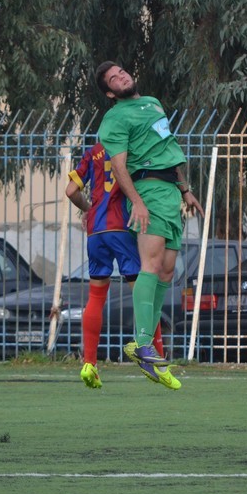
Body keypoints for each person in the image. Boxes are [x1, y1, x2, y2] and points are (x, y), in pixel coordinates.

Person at [94, 61, 205, 390]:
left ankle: (143, 345)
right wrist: (138, 202)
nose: (121, 77)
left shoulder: (153, 103)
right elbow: (119, 166)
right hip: (148, 191)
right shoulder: (114, 118)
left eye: (121, 72)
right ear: (110, 93)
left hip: (170, 192)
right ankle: (143, 344)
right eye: (113, 79)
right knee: (151, 264)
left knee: (167, 272)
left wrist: (184, 189)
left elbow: (166, 147)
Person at [65, 141, 166, 389]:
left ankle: (89, 363)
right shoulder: (133, 148)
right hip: (123, 227)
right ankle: (157, 360)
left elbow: (70, 190)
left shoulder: (93, 152)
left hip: (96, 232)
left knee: (96, 296)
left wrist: (89, 209)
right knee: (144, 295)